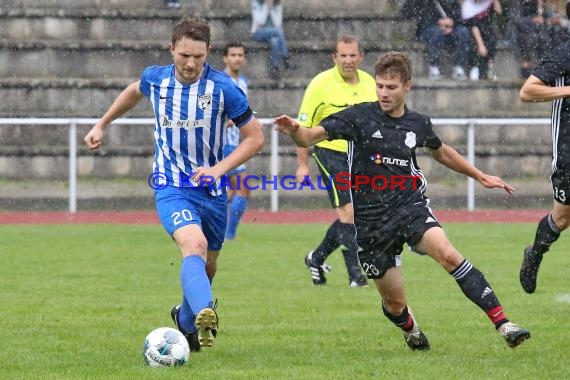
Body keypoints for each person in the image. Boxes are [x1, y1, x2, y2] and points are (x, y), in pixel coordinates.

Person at [275, 51, 530, 350]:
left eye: (391, 87)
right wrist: (294, 130)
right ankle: (411, 329)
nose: (383, 92)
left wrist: (480, 175)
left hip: (410, 207)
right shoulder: (358, 116)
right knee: (395, 304)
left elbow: (441, 151)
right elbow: (309, 138)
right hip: (371, 223)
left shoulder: (417, 123)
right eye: (380, 85)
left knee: (448, 254)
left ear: (407, 86)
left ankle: (504, 324)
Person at [83, 18, 264, 352]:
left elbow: (255, 138)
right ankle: (208, 312)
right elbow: (133, 91)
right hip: (170, 184)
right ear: (172, 49)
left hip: (211, 190)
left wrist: (218, 169)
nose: (191, 63)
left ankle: (185, 320)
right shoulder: (157, 78)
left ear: (208, 52)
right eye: (184, 55)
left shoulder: (224, 89)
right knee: (192, 246)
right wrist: (102, 124)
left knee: (208, 265)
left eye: (198, 56)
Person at [296, 35, 377, 288]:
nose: (348, 60)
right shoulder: (320, 84)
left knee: (358, 214)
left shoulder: (371, 83)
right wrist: (302, 164)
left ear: (360, 56)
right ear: (334, 57)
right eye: (343, 55)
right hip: (329, 152)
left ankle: (316, 257)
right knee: (348, 212)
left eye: (353, 55)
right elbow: (303, 126)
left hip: (360, 156)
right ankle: (356, 276)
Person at [519, 0, 570, 294]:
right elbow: (527, 91)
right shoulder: (565, 53)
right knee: (562, 218)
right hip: (568, 152)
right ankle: (535, 252)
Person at [222, 41, 253, 240]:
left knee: (230, 191)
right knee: (244, 187)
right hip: (223, 144)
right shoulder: (219, 81)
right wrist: (227, 120)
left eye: (240, 55)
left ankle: (217, 230)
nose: (237, 58)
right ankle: (228, 235)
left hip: (234, 143)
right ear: (225, 58)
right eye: (233, 55)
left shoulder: (243, 82)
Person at [400, 0, 472, 80]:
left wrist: (452, 23)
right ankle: (433, 66)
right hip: (429, 32)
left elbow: (459, 17)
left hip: (449, 31)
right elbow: (407, 13)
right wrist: (439, 23)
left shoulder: (450, 2)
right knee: (436, 31)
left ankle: (459, 67)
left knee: (463, 31)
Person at [250, 0, 295, 80]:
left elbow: (277, 23)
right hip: (258, 33)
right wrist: (266, 6)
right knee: (277, 31)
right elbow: (261, 21)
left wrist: (271, 7)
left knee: (275, 41)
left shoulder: (278, 4)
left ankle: (275, 68)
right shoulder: (256, 2)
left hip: (274, 35)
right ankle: (286, 58)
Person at [461, 0, 502, 80]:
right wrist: (481, 45)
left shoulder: (488, 3)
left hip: (486, 31)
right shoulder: (468, 5)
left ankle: (489, 67)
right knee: (474, 44)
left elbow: (499, 11)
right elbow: (473, 26)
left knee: (492, 35)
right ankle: (474, 67)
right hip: (472, 32)